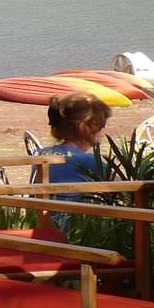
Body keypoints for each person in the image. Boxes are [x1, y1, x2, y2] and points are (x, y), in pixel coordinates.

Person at [35, 92, 109, 228]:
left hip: (43, 226)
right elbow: (123, 186)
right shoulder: (87, 161)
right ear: (84, 128)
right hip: (73, 231)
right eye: (100, 125)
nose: (103, 130)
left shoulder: (42, 153)